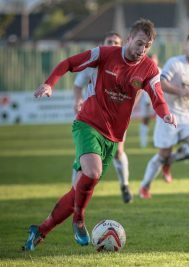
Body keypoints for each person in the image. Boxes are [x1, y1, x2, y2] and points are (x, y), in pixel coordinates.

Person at [23, 18, 177, 251]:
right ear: (128, 39)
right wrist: (49, 83)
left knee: (80, 188)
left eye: (147, 46)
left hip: (113, 137)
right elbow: (69, 62)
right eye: (139, 43)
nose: (142, 50)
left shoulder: (149, 69)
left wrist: (165, 114)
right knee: (92, 172)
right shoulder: (104, 53)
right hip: (87, 124)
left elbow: (157, 95)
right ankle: (79, 220)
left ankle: (41, 230)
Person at [138, 33, 189, 199]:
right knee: (162, 154)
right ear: (185, 46)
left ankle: (169, 161)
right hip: (168, 114)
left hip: (186, 115)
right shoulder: (175, 63)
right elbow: (161, 83)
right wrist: (180, 91)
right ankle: (145, 186)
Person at [71, 31, 134, 204]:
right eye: (109, 41)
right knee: (85, 153)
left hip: (116, 119)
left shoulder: (126, 66)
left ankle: (125, 185)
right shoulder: (94, 62)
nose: (113, 44)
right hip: (92, 117)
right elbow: (78, 85)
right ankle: (74, 193)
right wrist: (78, 101)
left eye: (116, 42)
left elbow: (139, 88)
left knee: (118, 151)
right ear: (103, 43)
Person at [136, 53, 159, 148]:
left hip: (158, 102)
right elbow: (140, 89)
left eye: (154, 59)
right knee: (145, 121)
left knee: (160, 121)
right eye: (151, 59)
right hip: (147, 102)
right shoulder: (143, 72)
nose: (153, 62)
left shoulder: (160, 72)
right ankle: (143, 142)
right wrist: (146, 101)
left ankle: (157, 140)